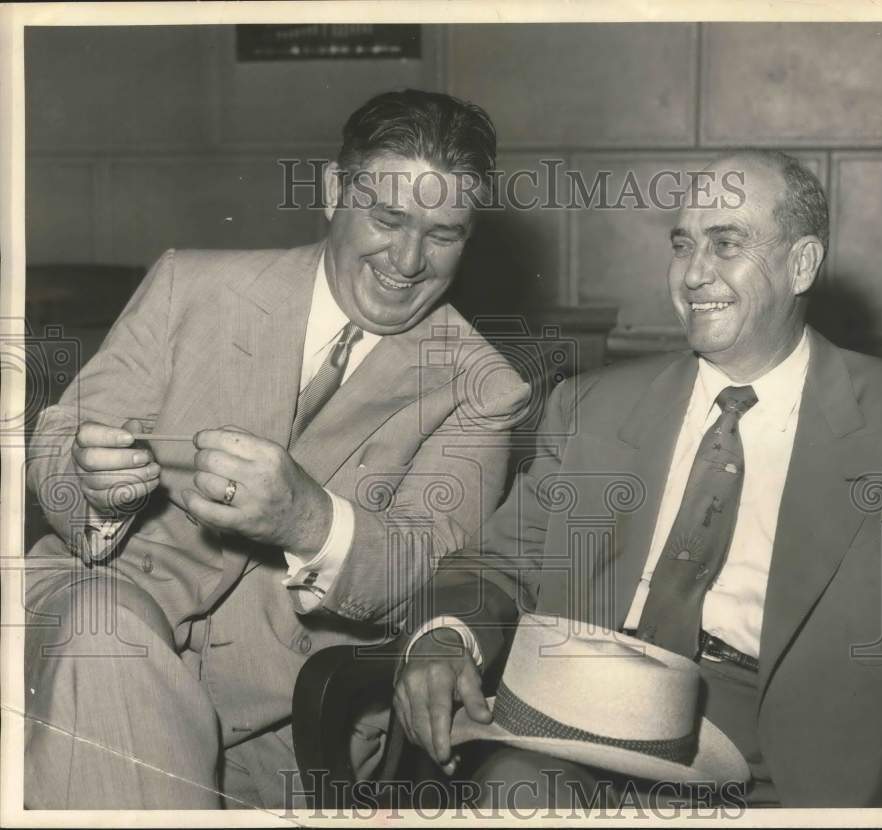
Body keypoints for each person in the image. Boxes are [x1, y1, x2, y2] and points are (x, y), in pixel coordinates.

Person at [393, 150, 882, 808]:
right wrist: (446, 632)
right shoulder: (589, 407)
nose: (695, 274)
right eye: (683, 245)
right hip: (579, 720)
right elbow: (500, 562)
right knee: (511, 792)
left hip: (777, 765)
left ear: (801, 264)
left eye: (726, 245)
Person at [23, 89, 531, 809]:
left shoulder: (483, 388)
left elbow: (431, 564)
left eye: (443, 233)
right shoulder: (191, 286)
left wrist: (308, 521)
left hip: (282, 722)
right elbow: (59, 443)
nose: (409, 260)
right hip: (95, 616)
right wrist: (92, 484)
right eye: (388, 219)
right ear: (333, 193)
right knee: (108, 642)